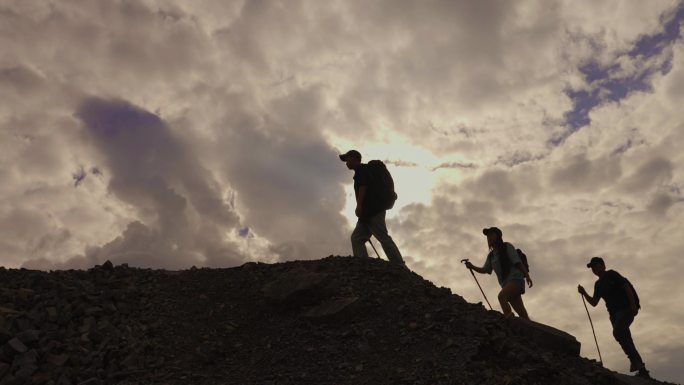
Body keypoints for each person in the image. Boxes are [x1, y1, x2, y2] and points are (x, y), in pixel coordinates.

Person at [578, 257, 648, 377]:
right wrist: (584, 293)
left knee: (618, 332)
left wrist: (633, 305)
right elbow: (594, 302)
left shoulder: (612, 274)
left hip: (626, 309)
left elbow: (626, 287)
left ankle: (636, 362)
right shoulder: (598, 284)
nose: (594, 269)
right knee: (624, 337)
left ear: (603, 265)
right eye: (592, 267)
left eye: (596, 265)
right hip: (614, 315)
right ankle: (641, 368)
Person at [339, 150, 405, 266]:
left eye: (347, 159)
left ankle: (398, 264)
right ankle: (363, 264)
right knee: (356, 238)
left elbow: (363, 186)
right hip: (367, 214)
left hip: (373, 211)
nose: (346, 163)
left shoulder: (361, 170)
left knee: (382, 236)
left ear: (354, 158)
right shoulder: (363, 171)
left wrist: (359, 205)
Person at [465, 227, 532, 319]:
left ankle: (510, 322)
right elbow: (485, 270)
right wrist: (472, 266)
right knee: (522, 314)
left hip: (516, 279)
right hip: (505, 284)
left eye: (491, 235)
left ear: (498, 236)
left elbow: (517, 262)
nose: (489, 237)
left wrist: (527, 276)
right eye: (488, 236)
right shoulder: (491, 256)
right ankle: (531, 331)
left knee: (502, 297)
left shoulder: (507, 246)